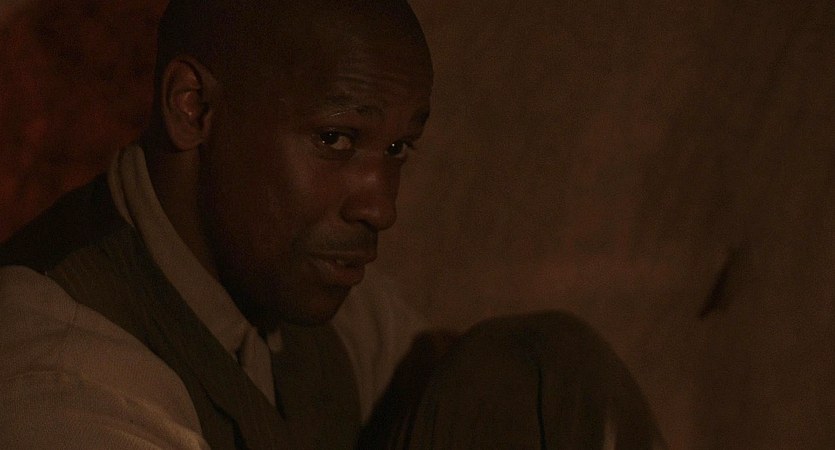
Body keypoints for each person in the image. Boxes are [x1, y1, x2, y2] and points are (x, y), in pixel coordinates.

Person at [0, 0, 665, 448]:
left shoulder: (292, 275)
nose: (380, 207)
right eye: (335, 139)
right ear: (193, 108)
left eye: (397, 148)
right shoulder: (60, 366)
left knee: (539, 369)